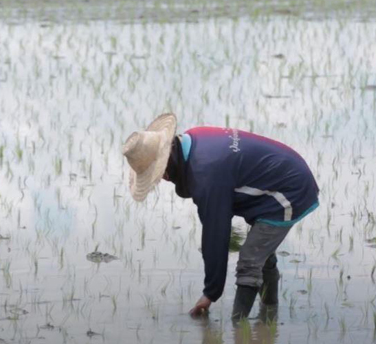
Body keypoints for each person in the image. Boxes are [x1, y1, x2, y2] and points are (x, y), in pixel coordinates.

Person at [122, 113, 319, 320]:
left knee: (250, 262)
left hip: (290, 191)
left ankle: (240, 330)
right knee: (262, 252)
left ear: (168, 156)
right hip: (284, 172)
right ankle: (270, 313)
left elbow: (216, 234)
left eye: (160, 172)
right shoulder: (192, 139)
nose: (163, 178)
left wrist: (210, 293)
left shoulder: (205, 174)